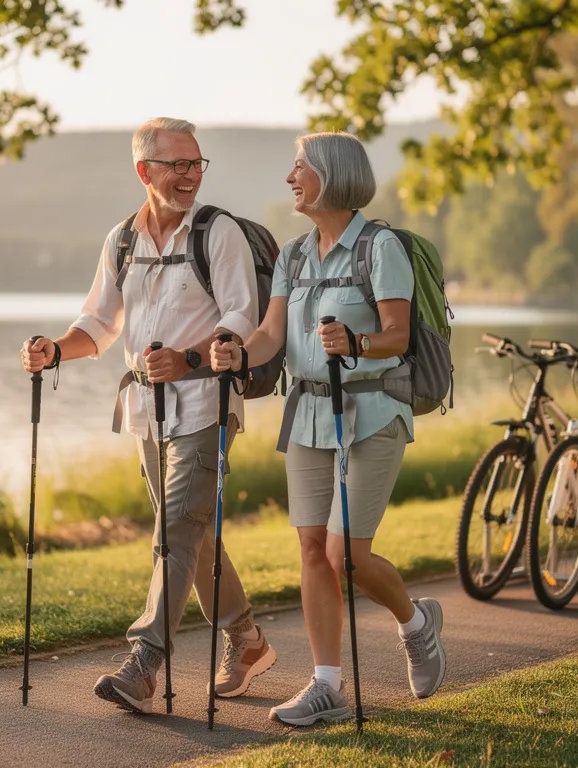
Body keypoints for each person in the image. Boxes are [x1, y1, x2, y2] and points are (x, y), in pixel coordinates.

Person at [22, 117, 276, 714]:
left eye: (196, 163)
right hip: (146, 412)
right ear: (144, 170)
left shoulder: (219, 233)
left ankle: (143, 666)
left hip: (207, 405)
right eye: (176, 165)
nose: (190, 175)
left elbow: (241, 318)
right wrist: (55, 350)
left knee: (176, 528)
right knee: (191, 530)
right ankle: (247, 641)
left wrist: (188, 360)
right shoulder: (122, 240)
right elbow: (99, 323)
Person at [211, 132, 447, 727]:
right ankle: (327, 687)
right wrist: (238, 352)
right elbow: (271, 334)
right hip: (309, 415)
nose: (291, 177)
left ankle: (416, 623)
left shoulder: (380, 247)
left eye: (301, 167)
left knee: (347, 555)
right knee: (313, 548)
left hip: (373, 413)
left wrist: (356, 342)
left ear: (333, 175)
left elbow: (397, 334)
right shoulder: (293, 255)